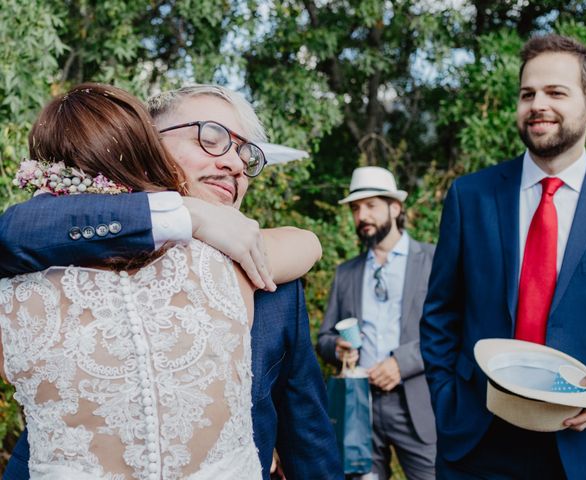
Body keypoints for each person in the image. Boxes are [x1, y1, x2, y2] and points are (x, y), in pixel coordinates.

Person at [0, 85, 343, 479]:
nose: (233, 162)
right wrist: (185, 213)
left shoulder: (271, 274)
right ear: (148, 147)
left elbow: (309, 439)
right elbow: (14, 230)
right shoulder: (53, 264)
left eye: (245, 154)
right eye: (211, 139)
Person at [421, 34, 586, 479]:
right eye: (528, 94)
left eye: (556, 92)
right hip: (480, 443)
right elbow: (440, 315)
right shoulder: (470, 196)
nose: (538, 104)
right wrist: (447, 401)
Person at [317, 166, 437, 480]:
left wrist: (403, 363)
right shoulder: (347, 273)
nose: (362, 216)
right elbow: (325, 337)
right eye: (356, 209)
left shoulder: (433, 261)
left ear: (395, 208)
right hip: (360, 407)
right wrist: (338, 350)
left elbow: (454, 330)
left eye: (371, 206)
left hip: (417, 403)